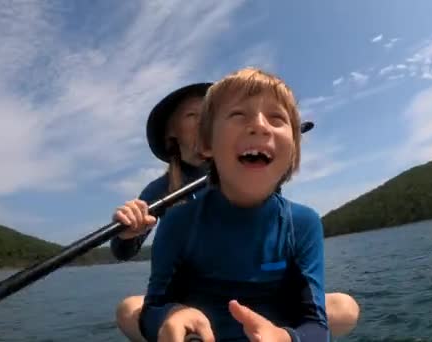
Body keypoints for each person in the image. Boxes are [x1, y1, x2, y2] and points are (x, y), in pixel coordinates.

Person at [112, 80, 359, 341]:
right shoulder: (162, 191)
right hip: (196, 299)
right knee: (129, 308)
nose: (202, 119)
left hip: (264, 292)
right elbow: (125, 249)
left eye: (209, 113)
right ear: (172, 135)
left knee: (344, 307)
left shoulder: (252, 173)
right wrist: (129, 233)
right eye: (193, 115)